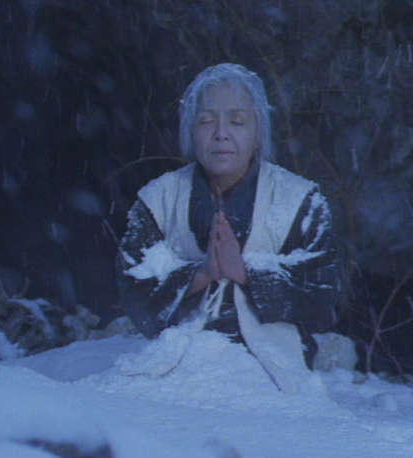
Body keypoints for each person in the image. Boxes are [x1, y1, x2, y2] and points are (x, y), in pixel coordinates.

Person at [116, 63, 342, 374]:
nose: (221, 134)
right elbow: (134, 293)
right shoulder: (158, 199)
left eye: (237, 121)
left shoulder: (301, 199)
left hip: (270, 365)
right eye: (206, 121)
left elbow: (322, 298)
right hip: (174, 358)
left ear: (258, 132)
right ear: (190, 131)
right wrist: (201, 274)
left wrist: (247, 274)